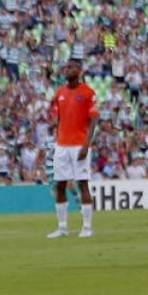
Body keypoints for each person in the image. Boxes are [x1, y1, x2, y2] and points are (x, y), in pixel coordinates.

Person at [47, 59, 99, 238]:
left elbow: (93, 121)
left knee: (82, 183)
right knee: (60, 185)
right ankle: (62, 227)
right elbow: (57, 116)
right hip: (62, 144)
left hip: (79, 145)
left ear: (80, 71)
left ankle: (87, 227)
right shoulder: (59, 92)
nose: (68, 70)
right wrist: (54, 122)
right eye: (67, 67)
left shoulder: (88, 93)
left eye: (72, 67)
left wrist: (86, 144)